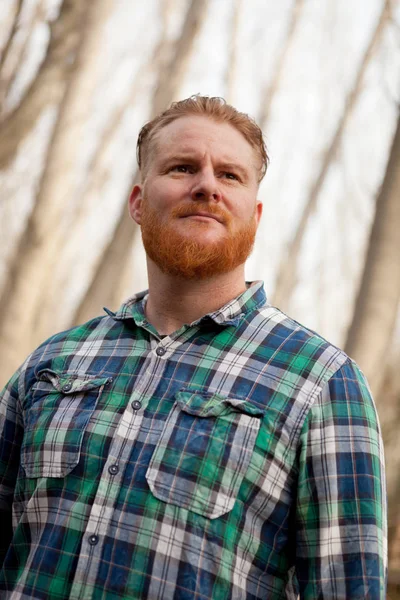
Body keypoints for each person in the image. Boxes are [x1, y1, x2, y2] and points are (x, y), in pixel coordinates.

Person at [0, 95, 387, 599]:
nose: (206, 186)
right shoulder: (53, 363)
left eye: (230, 176)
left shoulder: (323, 383)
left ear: (255, 213)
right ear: (138, 202)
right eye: (183, 167)